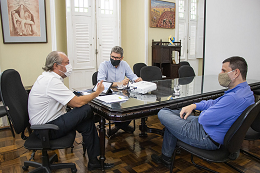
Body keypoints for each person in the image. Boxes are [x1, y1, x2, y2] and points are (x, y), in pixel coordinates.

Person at [151, 56, 255, 167]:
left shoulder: (233, 98)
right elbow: (213, 103)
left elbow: (203, 118)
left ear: (236, 73)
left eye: (224, 70)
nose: (220, 73)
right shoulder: (246, 92)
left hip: (205, 136)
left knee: (163, 112)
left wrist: (207, 111)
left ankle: (166, 158)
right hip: (211, 129)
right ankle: (166, 157)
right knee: (174, 114)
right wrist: (194, 105)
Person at [28, 51, 114, 171]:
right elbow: (77, 103)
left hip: (53, 121)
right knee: (86, 108)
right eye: (67, 63)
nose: (69, 66)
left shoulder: (50, 78)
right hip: (46, 129)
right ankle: (96, 118)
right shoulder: (51, 81)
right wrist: (96, 93)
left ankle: (94, 161)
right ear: (56, 66)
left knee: (87, 123)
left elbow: (68, 99)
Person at [97, 46, 142, 137]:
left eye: (117, 58)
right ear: (110, 55)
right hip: (108, 94)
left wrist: (137, 79)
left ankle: (118, 127)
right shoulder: (104, 65)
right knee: (116, 108)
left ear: (121, 58)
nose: (114, 59)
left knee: (133, 106)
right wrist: (119, 83)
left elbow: (132, 76)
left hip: (122, 94)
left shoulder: (124, 64)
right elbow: (101, 83)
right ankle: (123, 126)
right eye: (112, 57)